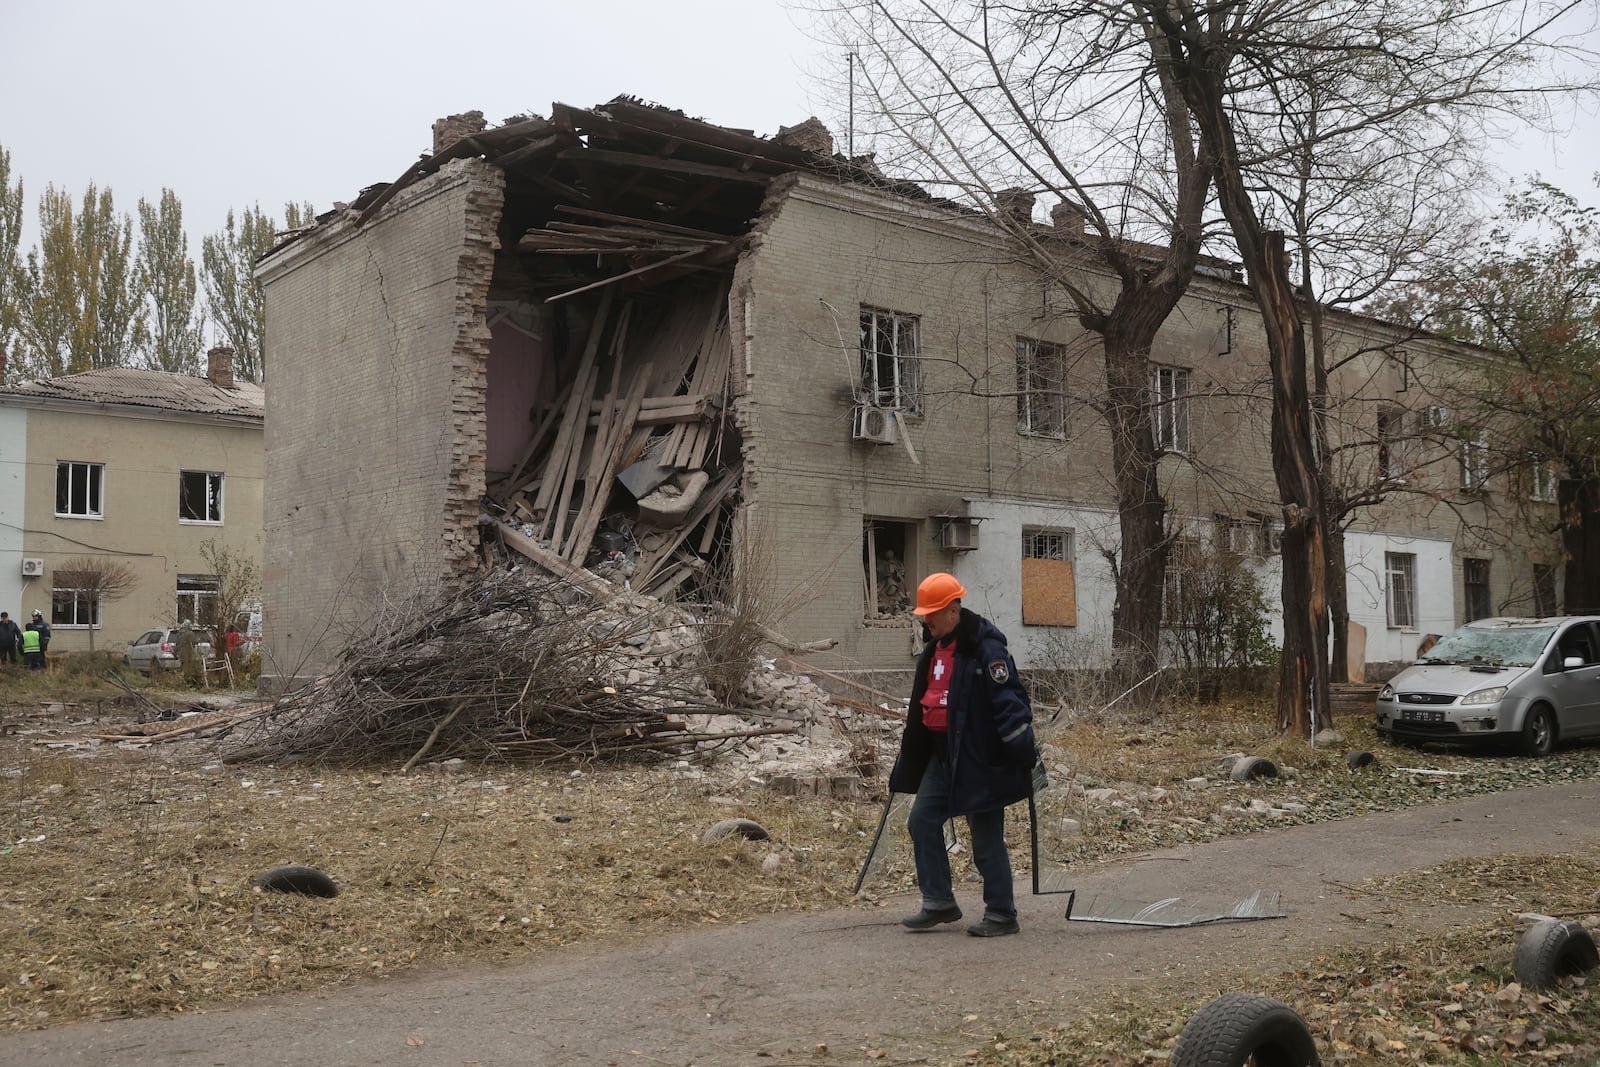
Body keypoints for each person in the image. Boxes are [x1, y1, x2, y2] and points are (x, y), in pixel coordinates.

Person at [887, 572, 1040, 938]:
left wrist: (1022, 750)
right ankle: (939, 902)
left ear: (953, 610)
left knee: (986, 839)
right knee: (921, 822)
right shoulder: (933, 649)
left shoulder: (986, 649)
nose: (927, 620)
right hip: (942, 760)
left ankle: (1002, 914)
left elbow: (1010, 702)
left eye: (933, 613)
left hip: (980, 761)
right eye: (925, 614)